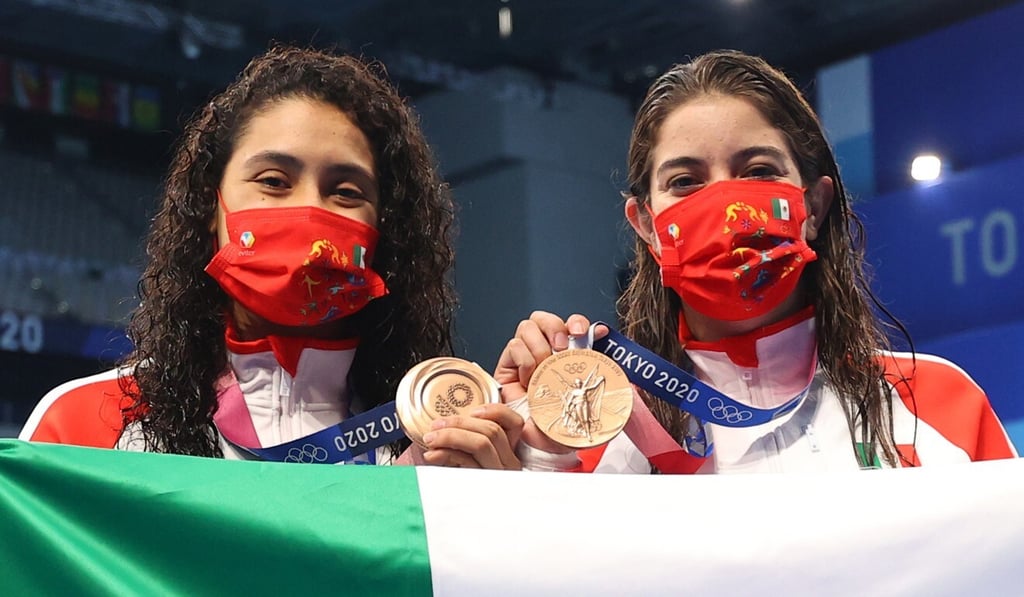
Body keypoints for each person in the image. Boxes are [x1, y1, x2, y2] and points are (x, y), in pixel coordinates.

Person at [495, 50, 1018, 473]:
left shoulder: (937, 403)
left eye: (758, 169)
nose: (725, 204)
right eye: (685, 182)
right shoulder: (591, 423)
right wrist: (539, 453)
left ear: (813, 206)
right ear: (647, 226)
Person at [19, 44, 523, 469]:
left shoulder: (440, 435)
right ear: (209, 210)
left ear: (384, 232)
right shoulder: (83, 423)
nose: (308, 209)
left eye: (345, 192)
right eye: (273, 182)